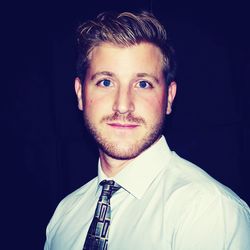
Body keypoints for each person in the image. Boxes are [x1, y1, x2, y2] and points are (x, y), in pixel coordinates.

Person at [44, 11, 250, 250]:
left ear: (169, 97)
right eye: (106, 82)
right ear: (80, 93)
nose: (122, 105)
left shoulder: (209, 212)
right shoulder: (64, 216)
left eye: (143, 84)